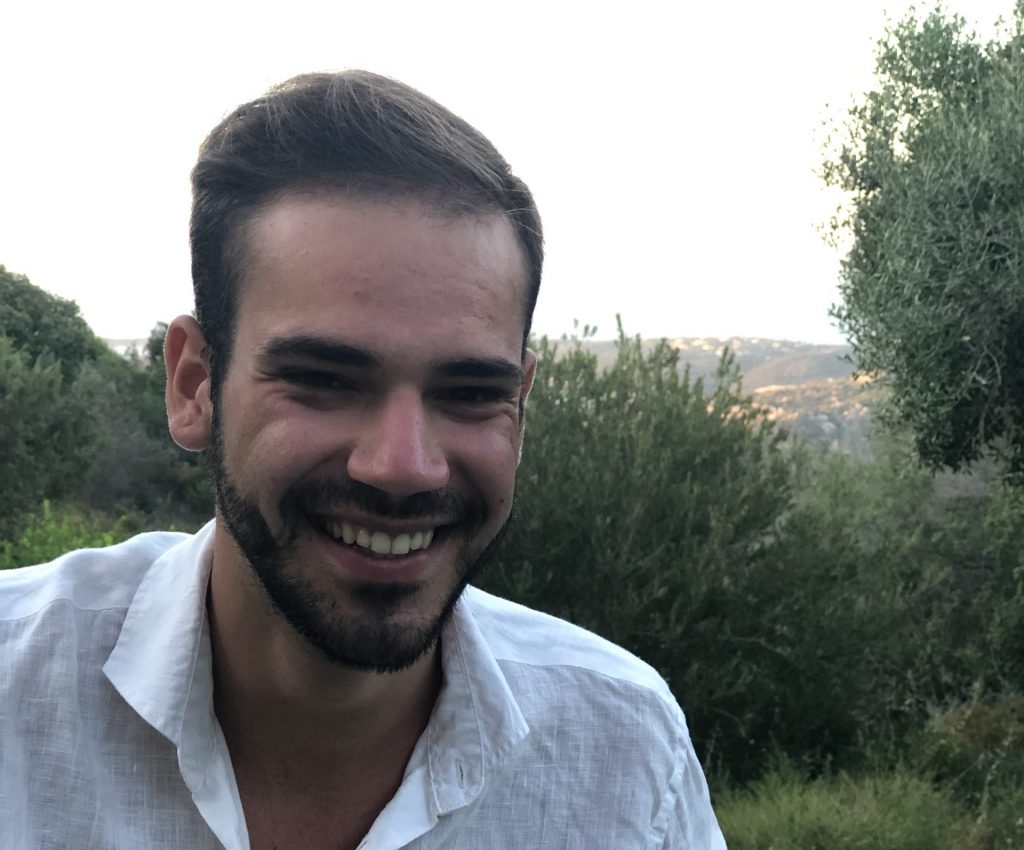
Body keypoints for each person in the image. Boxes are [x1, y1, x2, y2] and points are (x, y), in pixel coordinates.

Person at [0, 71, 726, 849]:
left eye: (470, 393)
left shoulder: (627, 759)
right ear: (195, 385)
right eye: (324, 380)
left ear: (520, 404)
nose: (404, 466)